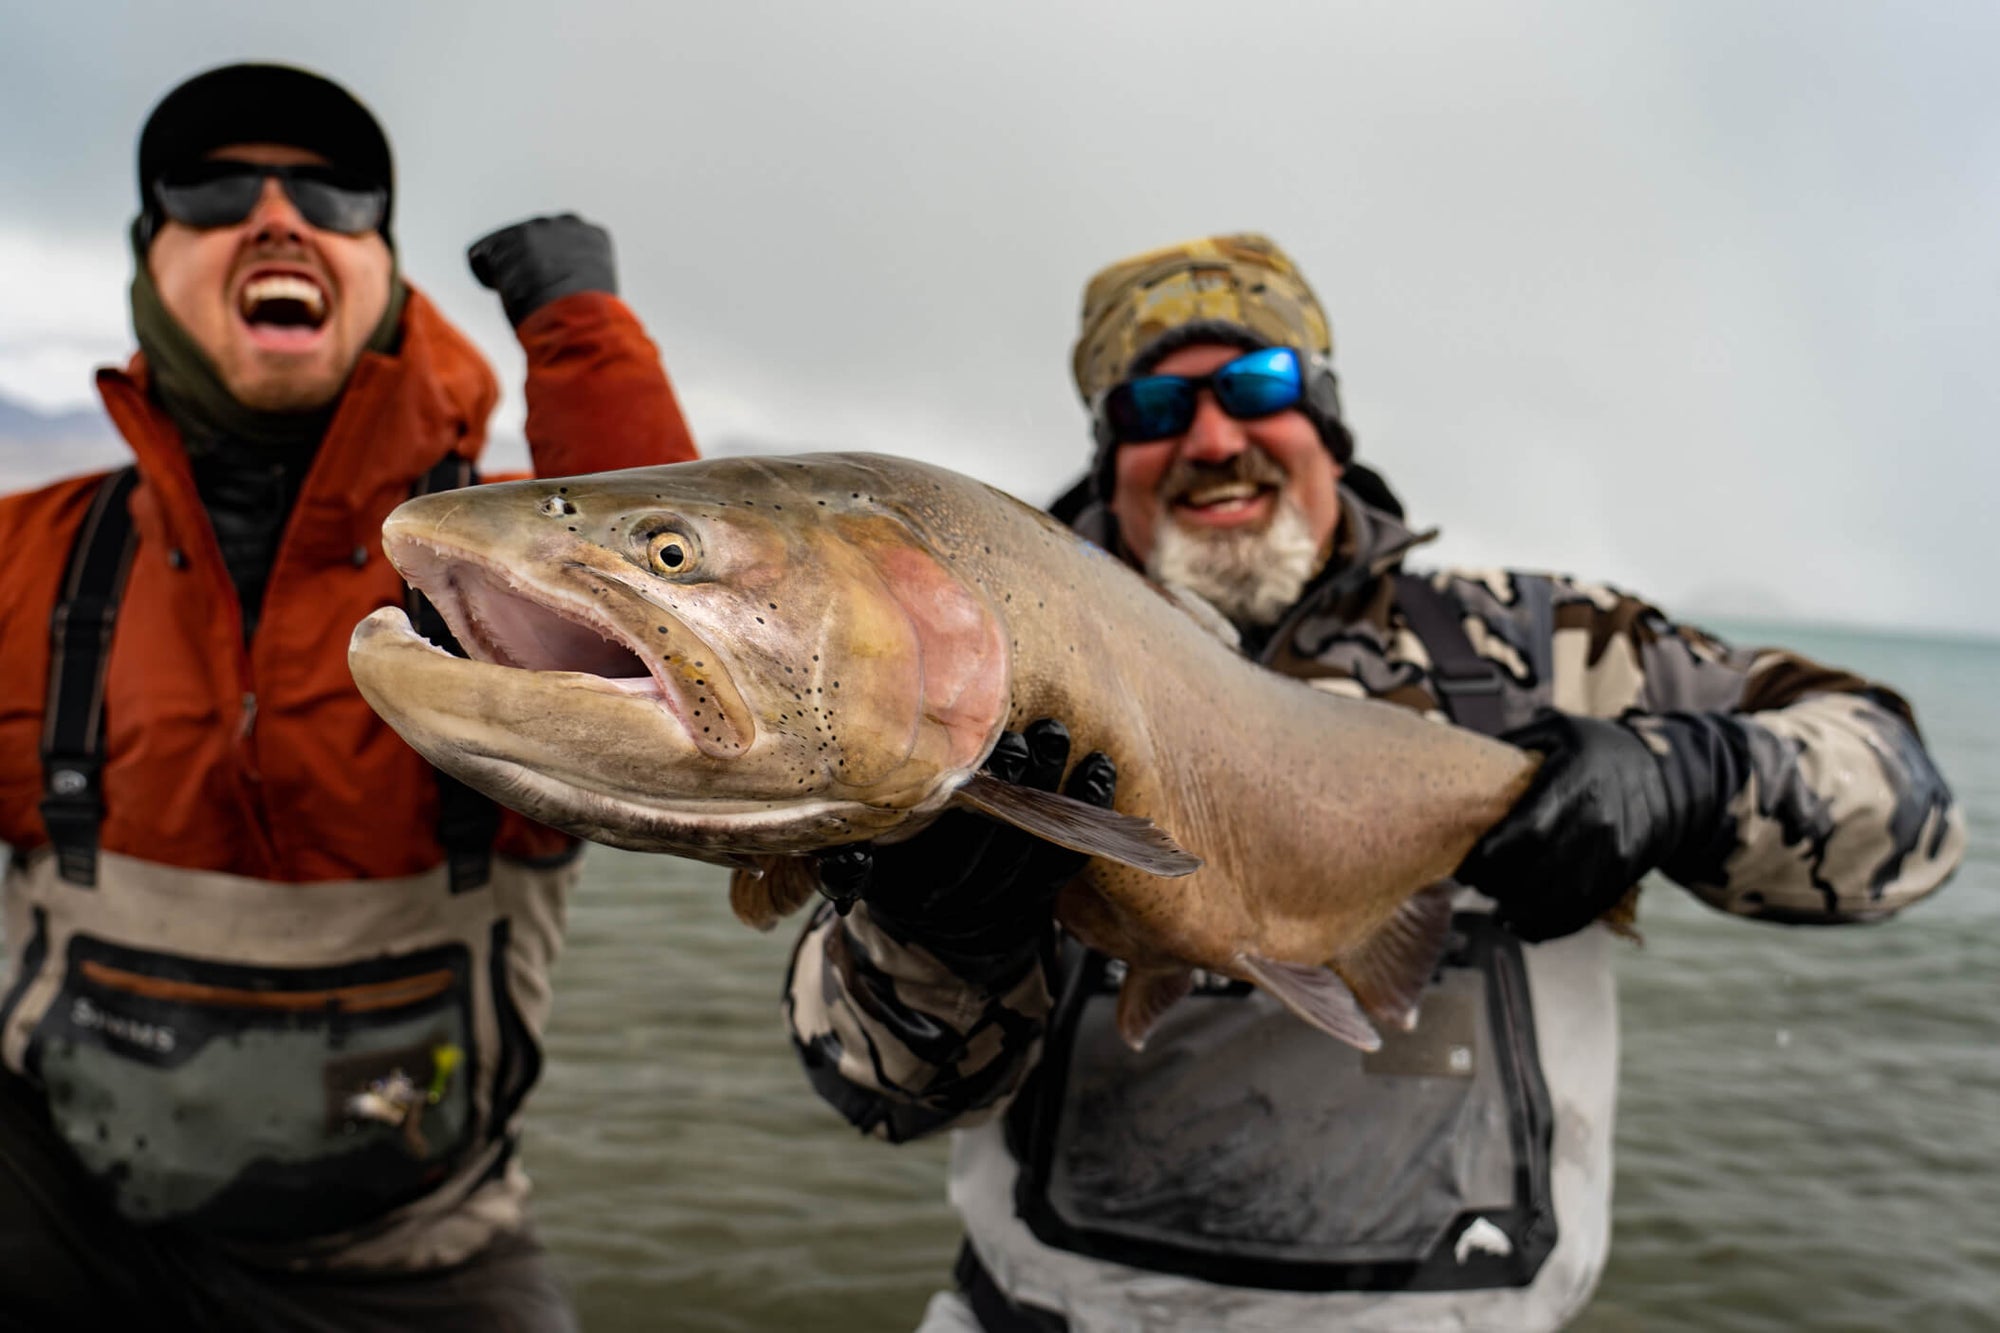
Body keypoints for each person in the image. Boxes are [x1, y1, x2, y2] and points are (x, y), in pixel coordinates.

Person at [783, 233, 1964, 1331]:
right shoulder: (969, 660)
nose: (1208, 440)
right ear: (1110, 449)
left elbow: (1907, 811)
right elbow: (875, 1091)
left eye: (1254, 384)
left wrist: (1694, 776)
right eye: (1152, 406)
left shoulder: (1545, 643)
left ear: (1324, 416)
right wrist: (937, 933)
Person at [0, 63, 697, 1330]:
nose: (275, 216)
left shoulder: (502, 575)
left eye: (332, 192)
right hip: (55, 1217)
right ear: (145, 264)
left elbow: (686, 685)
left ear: (386, 270)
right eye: (210, 191)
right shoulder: (21, 560)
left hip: (417, 1266)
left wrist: (584, 334)